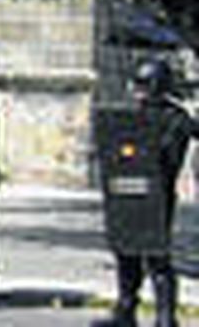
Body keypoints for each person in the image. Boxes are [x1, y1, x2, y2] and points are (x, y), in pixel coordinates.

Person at [94, 59, 198, 327]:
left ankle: (166, 316)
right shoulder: (134, 115)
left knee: (157, 256)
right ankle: (126, 309)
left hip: (158, 195)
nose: (137, 92)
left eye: (143, 85)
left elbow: (166, 153)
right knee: (126, 251)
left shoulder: (176, 118)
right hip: (128, 193)